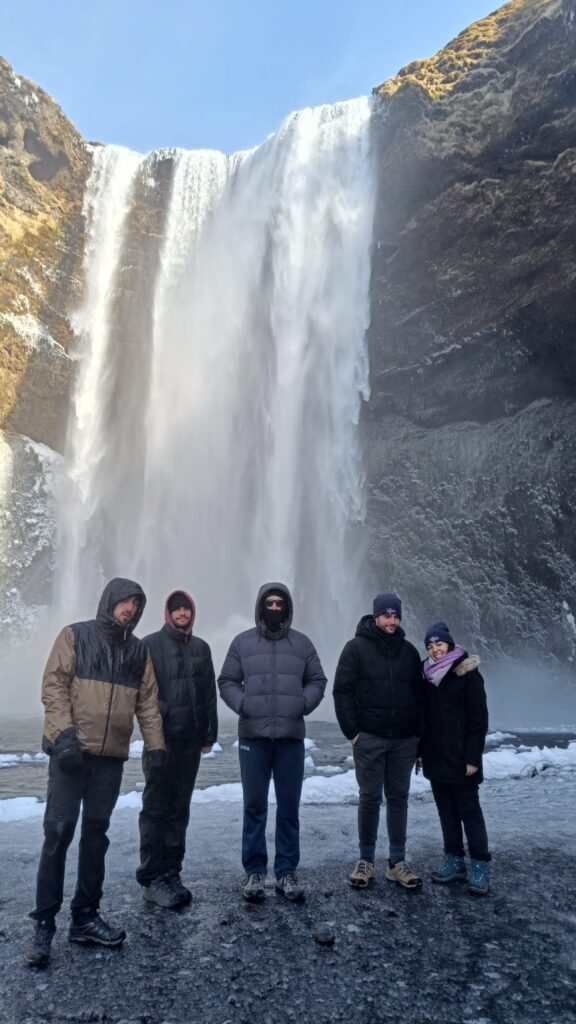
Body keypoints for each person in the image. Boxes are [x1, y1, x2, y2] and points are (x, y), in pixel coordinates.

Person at [25, 578, 166, 968]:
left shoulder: (138, 652)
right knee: (58, 833)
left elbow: (148, 705)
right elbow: (53, 686)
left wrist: (156, 749)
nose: (131, 610)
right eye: (125, 602)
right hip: (70, 754)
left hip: (110, 758)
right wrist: (64, 735)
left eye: (137, 604)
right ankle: (44, 924)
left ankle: (85, 917)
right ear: (110, 602)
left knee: (96, 836)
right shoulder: (75, 636)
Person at [218, 583, 326, 903]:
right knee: (255, 806)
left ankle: (286, 872)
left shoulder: (302, 644)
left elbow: (317, 680)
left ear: (288, 607)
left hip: (290, 738)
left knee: (289, 807)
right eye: (270, 603)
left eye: (280, 603)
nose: (275, 608)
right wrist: (244, 704)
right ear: (260, 606)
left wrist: (302, 704)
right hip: (253, 737)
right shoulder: (242, 643)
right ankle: (254, 871)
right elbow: (226, 681)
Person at [333, 592, 425, 890]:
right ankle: (366, 861)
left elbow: (421, 699)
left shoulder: (410, 653)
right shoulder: (355, 649)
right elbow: (342, 691)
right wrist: (353, 732)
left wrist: (418, 738)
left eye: (396, 616)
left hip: (403, 739)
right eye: (387, 616)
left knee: (399, 799)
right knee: (370, 797)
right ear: (376, 617)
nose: (392, 621)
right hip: (370, 737)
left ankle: (397, 861)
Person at [136, 590, 217, 908]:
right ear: (168, 614)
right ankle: (151, 879)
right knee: (155, 810)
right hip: (161, 741)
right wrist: (162, 712)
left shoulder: (201, 648)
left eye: (186, 609)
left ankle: (172, 872)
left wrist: (208, 733)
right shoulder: (150, 644)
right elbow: (141, 693)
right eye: (177, 609)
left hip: (190, 742)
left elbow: (209, 693)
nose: (182, 613)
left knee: (179, 810)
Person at [418, 622, 491, 895]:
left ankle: (481, 864)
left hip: (462, 759)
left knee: (469, 812)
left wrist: (473, 756)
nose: (434, 650)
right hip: (436, 757)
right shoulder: (428, 676)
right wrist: (420, 753)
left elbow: (478, 719)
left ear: (449, 644)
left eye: (438, 644)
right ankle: (454, 859)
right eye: (430, 646)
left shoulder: (468, 675)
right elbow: (424, 719)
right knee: (446, 811)